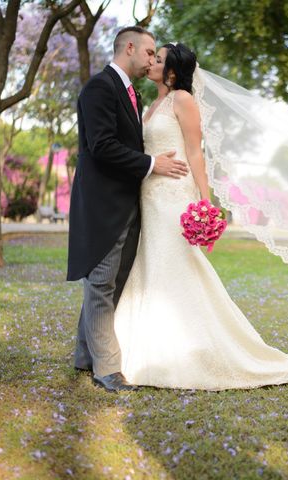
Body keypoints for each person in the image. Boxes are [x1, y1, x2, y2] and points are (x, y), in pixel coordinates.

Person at [113, 42, 288, 390]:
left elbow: (196, 153)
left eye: (159, 59)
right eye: (152, 57)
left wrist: (205, 204)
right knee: (152, 265)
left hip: (174, 197)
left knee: (175, 266)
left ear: (172, 71)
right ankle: (147, 347)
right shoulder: (152, 104)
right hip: (149, 197)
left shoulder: (182, 100)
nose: (151, 62)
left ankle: (194, 350)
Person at [67, 27, 190, 392]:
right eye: (150, 52)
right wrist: (152, 164)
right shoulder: (99, 88)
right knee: (102, 283)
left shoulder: (130, 92)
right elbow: (102, 146)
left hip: (130, 204)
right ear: (130, 48)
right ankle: (108, 370)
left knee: (110, 283)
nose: (153, 60)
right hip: (103, 205)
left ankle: (84, 355)